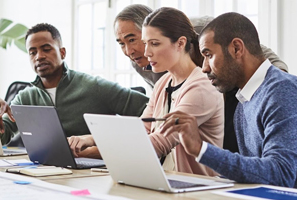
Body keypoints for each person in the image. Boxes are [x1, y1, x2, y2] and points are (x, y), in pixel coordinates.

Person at [160, 12, 297, 195]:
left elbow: (280, 175)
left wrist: (201, 149)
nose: (204, 68)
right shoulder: (246, 97)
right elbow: (257, 172)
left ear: (236, 48)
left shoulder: (284, 91)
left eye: (209, 55)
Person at [114, 4, 289, 153]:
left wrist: (271, 93)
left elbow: (254, 50)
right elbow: (156, 115)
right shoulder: (142, 65)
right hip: (199, 93)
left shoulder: (200, 30)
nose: (128, 51)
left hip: (228, 90)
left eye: (133, 40)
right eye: (121, 43)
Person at [71, 7, 223, 176]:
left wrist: (88, 152)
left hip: (199, 186)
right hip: (168, 180)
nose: (146, 52)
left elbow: (156, 145)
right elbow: (140, 131)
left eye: (154, 44)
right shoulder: (164, 83)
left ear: (180, 43)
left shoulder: (201, 87)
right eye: (146, 43)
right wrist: (90, 139)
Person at [0, 23, 149, 157]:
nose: (39, 56)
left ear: (62, 52)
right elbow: (2, 137)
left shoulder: (94, 86)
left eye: (46, 49)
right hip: (45, 172)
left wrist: (99, 143)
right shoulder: (25, 97)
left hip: (93, 172)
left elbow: (151, 114)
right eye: (33, 52)